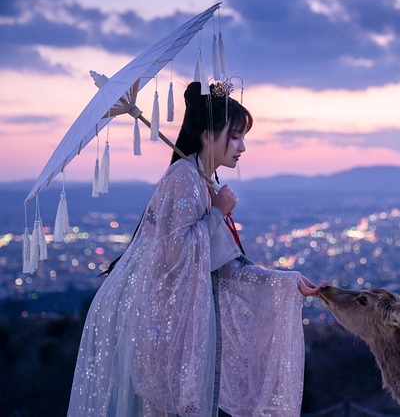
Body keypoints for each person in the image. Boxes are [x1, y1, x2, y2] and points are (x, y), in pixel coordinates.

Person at [67, 82, 325, 417]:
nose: (242, 146)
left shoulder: (202, 179)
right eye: (234, 136)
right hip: (164, 327)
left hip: (182, 323)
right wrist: (218, 211)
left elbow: (222, 268)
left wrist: (287, 282)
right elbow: (178, 255)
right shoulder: (183, 177)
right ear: (207, 135)